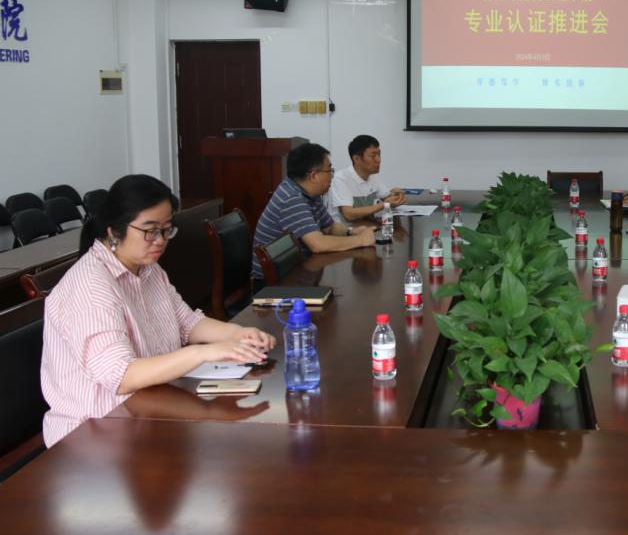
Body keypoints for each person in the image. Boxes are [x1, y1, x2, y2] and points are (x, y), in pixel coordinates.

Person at [41, 174, 277, 446]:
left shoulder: (148, 269)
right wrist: (202, 352)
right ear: (114, 230)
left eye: (166, 230)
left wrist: (237, 334)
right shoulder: (91, 287)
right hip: (95, 435)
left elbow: (187, 322)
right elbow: (122, 376)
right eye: (150, 230)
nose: (160, 240)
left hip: (148, 411)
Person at [251, 142, 374, 282]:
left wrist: (352, 232)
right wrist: (361, 240)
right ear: (314, 176)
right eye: (329, 170)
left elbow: (329, 227)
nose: (332, 176)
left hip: (297, 270)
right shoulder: (291, 198)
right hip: (274, 283)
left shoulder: (309, 192)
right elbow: (317, 244)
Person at [328, 134, 406, 223]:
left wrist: (395, 196)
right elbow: (348, 214)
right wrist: (383, 205)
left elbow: (386, 198)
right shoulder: (340, 179)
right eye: (373, 156)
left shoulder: (372, 176)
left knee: (395, 227)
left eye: (379, 155)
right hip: (346, 230)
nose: (378, 160)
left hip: (368, 226)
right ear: (357, 159)